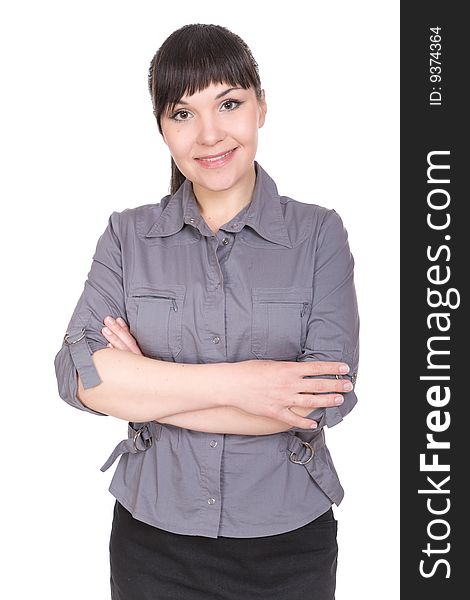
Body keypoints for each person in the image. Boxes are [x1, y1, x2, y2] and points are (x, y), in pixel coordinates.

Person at [54, 23, 359, 600]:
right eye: (182, 113)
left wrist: (148, 385)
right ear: (161, 128)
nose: (209, 134)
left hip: (289, 541)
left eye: (229, 103)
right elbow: (78, 377)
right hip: (153, 540)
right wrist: (248, 386)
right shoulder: (127, 237)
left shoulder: (319, 235)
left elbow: (323, 399)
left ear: (261, 106)